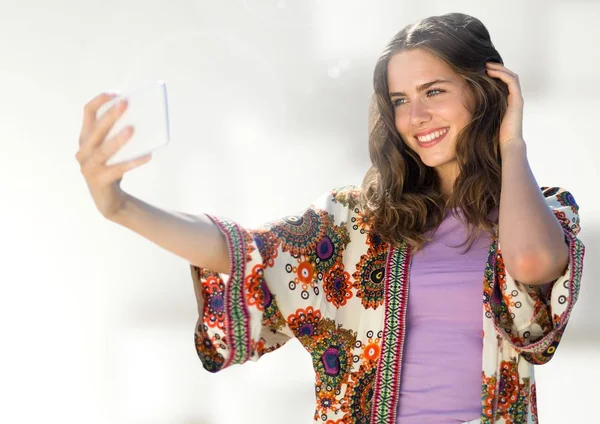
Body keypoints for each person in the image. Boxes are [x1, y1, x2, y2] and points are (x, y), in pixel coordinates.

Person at [75, 12, 585, 424]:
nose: (416, 117)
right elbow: (245, 253)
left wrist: (511, 141)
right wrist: (120, 206)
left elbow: (532, 261)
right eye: (400, 100)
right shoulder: (357, 221)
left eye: (435, 91)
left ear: (483, 90)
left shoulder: (544, 210)